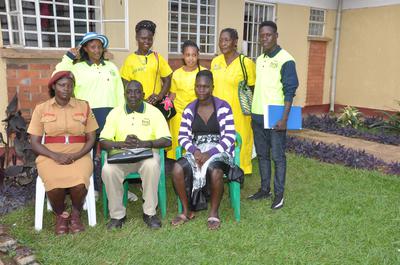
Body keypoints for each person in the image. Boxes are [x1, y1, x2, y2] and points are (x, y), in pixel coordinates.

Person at [28, 70, 98, 235]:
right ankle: (61, 215)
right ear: (54, 87)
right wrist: (55, 156)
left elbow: (91, 138)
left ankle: (75, 214)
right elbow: (35, 143)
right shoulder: (41, 109)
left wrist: (77, 156)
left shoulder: (84, 106)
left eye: (70, 85)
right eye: (62, 85)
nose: (66, 89)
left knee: (80, 182)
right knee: (53, 183)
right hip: (50, 154)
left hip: (79, 153)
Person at [55, 32, 124, 192]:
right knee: (88, 154)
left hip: (111, 115)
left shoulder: (111, 67)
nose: (97, 50)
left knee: (114, 152)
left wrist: (121, 114)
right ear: (85, 48)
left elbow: (120, 92)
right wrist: (68, 57)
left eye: (99, 47)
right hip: (86, 116)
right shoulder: (76, 68)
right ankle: (91, 188)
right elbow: (56, 76)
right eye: (93, 47)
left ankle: (115, 187)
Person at [99, 80, 171, 230]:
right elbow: (103, 141)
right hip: (122, 156)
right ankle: (117, 215)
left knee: (151, 165)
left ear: (143, 94)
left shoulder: (154, 112)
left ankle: (149, 213)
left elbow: (167, 140)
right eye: (129, 92)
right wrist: (121, 144)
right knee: (108, 170)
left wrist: (145, 143)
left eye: (137, 91)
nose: (133, 95)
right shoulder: (115, 113)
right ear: (124, 94)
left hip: (147, 156)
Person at [171, 70, 237, 230]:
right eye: (198, 86)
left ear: (212, 87)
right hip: (197, 149)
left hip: (219, 149)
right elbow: (182, 136)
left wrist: (210, 153)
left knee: (216, 171)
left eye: (205, 87)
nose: (201, 90)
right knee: (177, 169)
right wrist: (195, 151)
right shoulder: (189, 109)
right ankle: (186, 211)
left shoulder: (223, 107)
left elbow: (229, 136)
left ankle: (213, 212)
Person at [248, 21, 299, 209]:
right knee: (262, 155)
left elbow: (290, 90)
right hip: (258, 115)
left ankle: (279, 194)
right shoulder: (259, 59)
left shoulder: (286, 59)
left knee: (277, 157)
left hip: (276, 116)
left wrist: (285, 118)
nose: (264, 38)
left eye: (268, 35)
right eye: (261, 35)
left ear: (276, 36)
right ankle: (264, 189)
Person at [210, 28, 255, 175]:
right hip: (218, 112)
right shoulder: (215, 62)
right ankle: (220, 168)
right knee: (219, 140)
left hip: (238, 113)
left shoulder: (246, 63)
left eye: (226, 40)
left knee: (239, 140)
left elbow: (252, 89)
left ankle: (240, 170)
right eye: (221, 40)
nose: (222, 43)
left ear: (235, 42)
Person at [167, 40, 206, 160]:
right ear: (183, 56)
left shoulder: (204, 72)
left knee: (195, 141)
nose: (191, 58)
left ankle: (195, 161)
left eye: (194, 55)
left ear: (198, 56)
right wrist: (167, 106)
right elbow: (172, 94)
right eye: (188, 55)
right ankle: (178, 162)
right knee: (179, 139)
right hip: (179, 114)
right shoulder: (177, 73)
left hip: (197, 114)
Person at [120, 20, 173, 105]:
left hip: (155, 104)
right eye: (143, 38)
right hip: (137, 104)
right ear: (137, 37)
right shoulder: (129, 60)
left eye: (150, 39)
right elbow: (125, 84)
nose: (147, 42)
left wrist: (160, 96)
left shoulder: (158, 58)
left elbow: (167, 80)